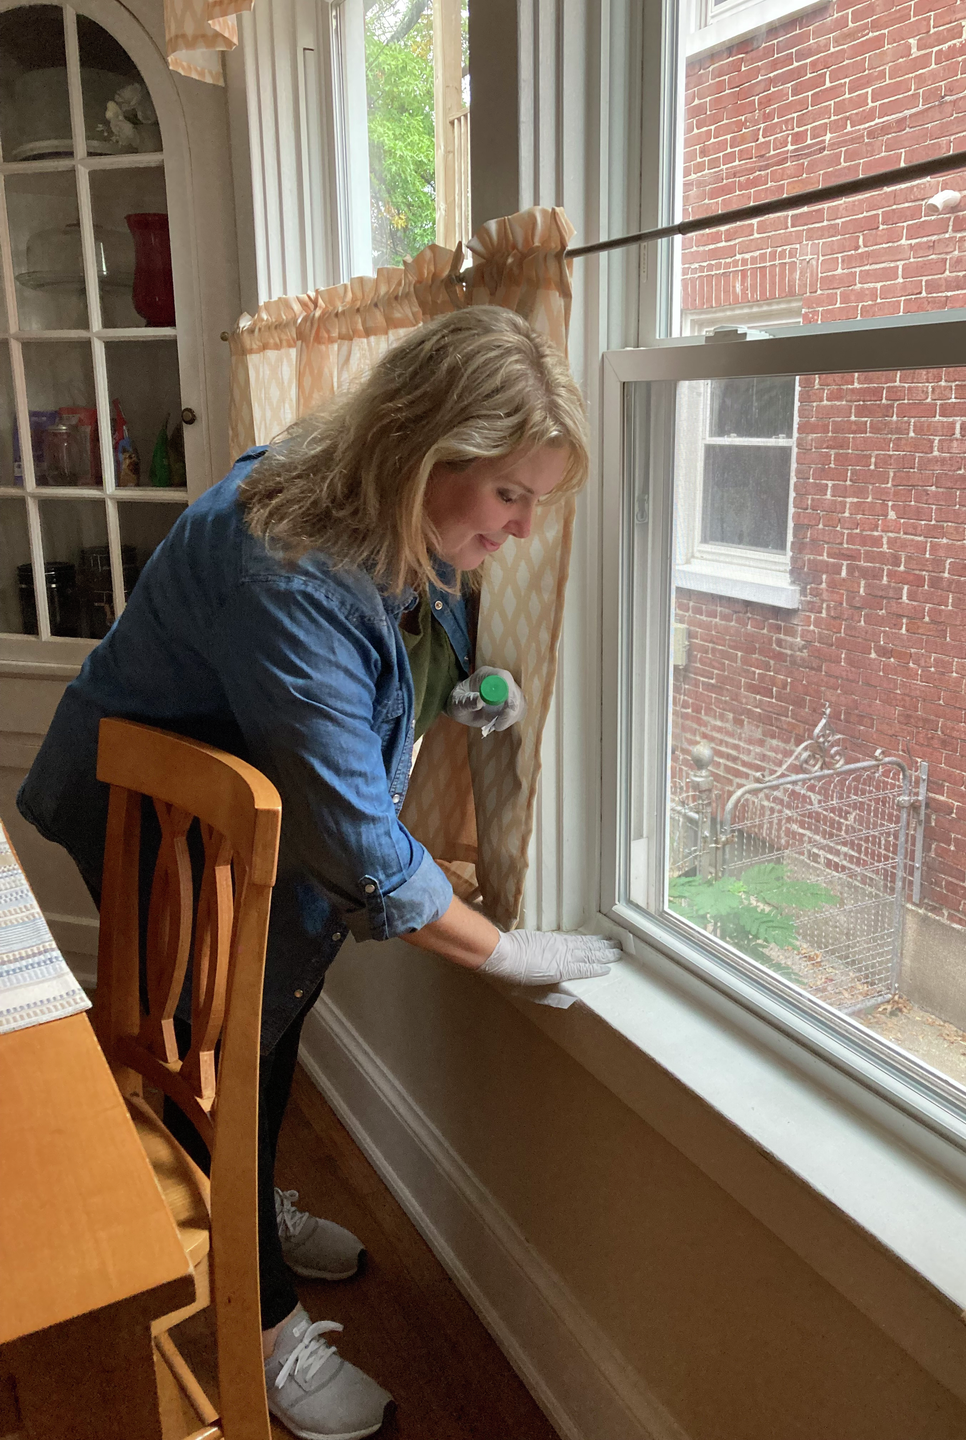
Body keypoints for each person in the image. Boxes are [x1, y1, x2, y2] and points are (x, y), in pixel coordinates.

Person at [17, 306, 619, 1440]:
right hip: (148, 823)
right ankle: (261, 1322)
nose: (526, 531)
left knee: (263, 1036)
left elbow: (386, 669)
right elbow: (364, 854)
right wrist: (508, 950)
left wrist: (458, 694)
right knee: (217, 1050)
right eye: (510, 497)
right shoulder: (289, 573)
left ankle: (247, 1202)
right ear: (429, 452)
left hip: (236, 817)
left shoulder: (380, 502)